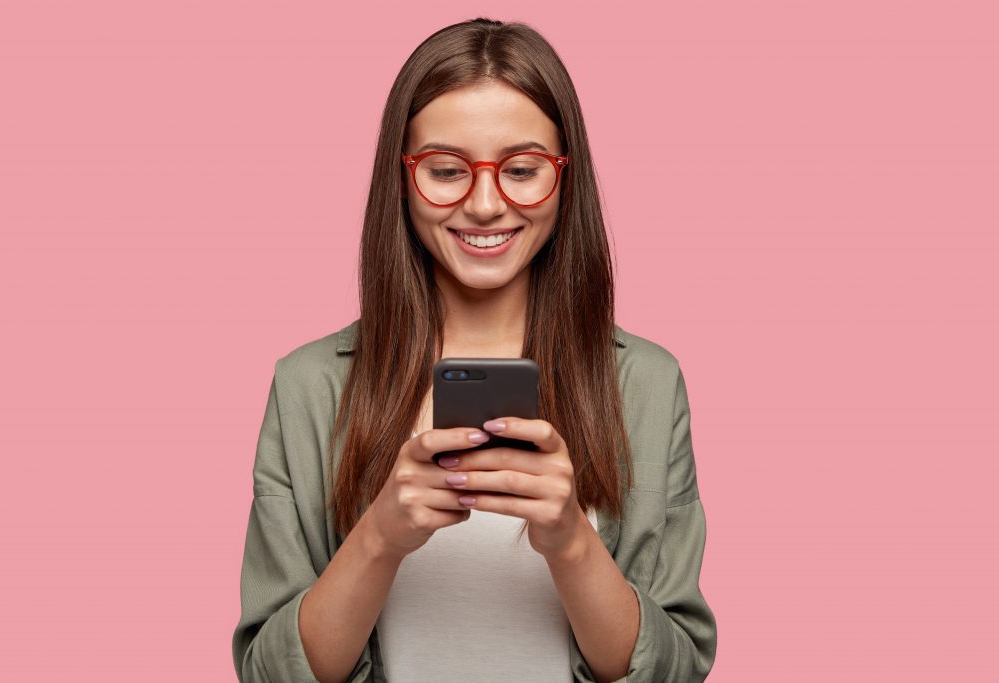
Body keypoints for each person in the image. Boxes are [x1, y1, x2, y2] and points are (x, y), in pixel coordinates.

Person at [232, 17, 717, 683]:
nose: (485, 203)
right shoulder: (307, 386)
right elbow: (268, 673)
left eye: (522, 169)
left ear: (564, 177)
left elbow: (679, 668)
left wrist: (572, 542)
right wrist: (379, 537)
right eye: (444, 169)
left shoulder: (646, 384)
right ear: (401, 180)